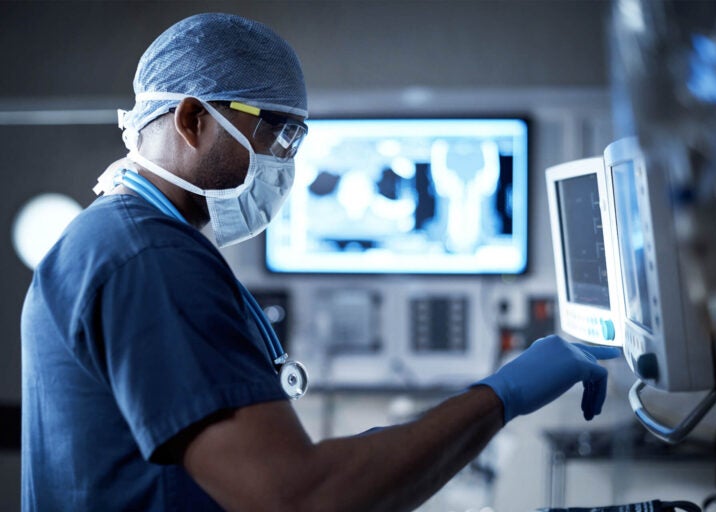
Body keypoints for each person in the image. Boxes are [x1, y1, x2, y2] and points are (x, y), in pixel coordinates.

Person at [20, 12, 621, 512]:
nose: (287, 164)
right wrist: (505, 394)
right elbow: (300, 499)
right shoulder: (149, 258)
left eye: (298, 141)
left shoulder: (113, 239)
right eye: (277, 134)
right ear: (193, 118)